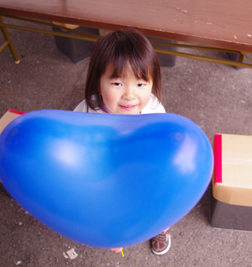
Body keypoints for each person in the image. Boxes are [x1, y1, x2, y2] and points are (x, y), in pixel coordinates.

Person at [73, 28, 170, 255]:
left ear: (152, 82)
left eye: (140, 84)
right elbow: (78, 150)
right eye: (117, 83)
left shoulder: (154, 110)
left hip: (140, 169)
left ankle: (159, 228)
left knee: (160, 200)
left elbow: (161, 148)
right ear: (98, 82)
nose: (130, 95)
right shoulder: (86, 112)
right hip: (104, 173)